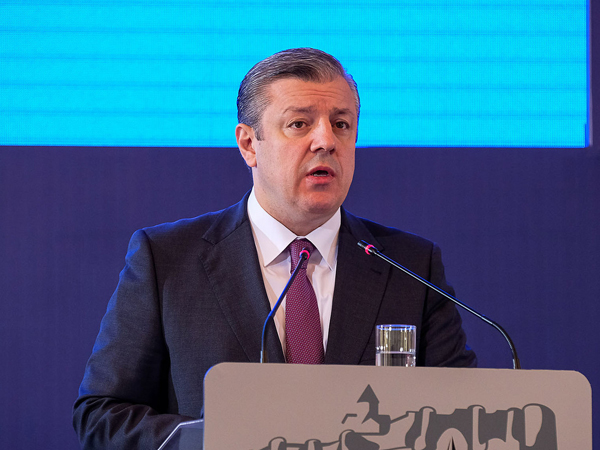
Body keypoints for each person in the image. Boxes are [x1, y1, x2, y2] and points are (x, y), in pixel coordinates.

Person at [73, 48, 476, 449]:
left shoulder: (410, 267)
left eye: (341, 124)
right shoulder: (167, 260)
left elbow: (464, 415)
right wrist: (216, 441)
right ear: (249, 144)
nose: (326, 141)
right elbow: (102, 415)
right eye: (299, 124)